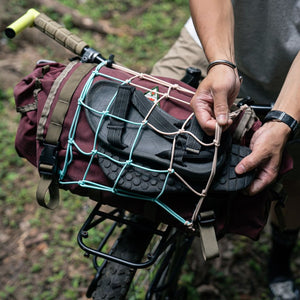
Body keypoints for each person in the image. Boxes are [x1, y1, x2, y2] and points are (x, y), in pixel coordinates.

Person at [151, 1, 300, 299]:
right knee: (149, 126)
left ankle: (281, 257)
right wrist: (219, 62)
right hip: (214, 36)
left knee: (292, 184)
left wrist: (284, 118)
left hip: (292, 72)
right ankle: (155, 230)